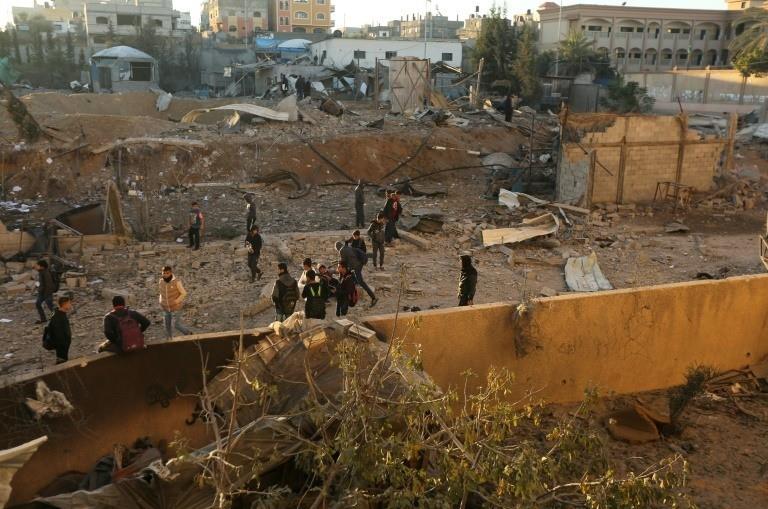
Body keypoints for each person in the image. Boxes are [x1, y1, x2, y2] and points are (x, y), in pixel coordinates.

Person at [335, 240, 377, 307]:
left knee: (361, 282)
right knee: (353, 276)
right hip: (359, 264)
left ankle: (373, 298)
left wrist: (339, 269)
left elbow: (343, 263)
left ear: (337, 248)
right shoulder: (347, 247)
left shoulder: (341, 250)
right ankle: (355, 285)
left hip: (355, 266)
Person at [158, 266, 192, 339]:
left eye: (167, 273)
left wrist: (176, 301)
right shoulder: (161, 281)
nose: (165, 275)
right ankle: (169, 340)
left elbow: (184, 293)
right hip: (166, 308)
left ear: (171, 273)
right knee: (167, 326)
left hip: (176, 307)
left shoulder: (176, 282)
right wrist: (160, 300)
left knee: (176, 325)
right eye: (164, 273)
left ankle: (189, 334)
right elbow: (161, 292)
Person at [46, 296, 72, 364]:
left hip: (63, 345)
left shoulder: (60, 313)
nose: (70, 305)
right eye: (69, 303)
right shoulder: (57, 317)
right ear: (64, 304)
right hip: (61, 346)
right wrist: (64, 343)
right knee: (62, 362)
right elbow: (58, 334)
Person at [34, 259, 56, 324]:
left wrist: (47, 294)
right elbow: (41, 283)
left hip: (47, 293)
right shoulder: (41, 272)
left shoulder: (46, 273)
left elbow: (49, 285)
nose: (36, 266)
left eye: (38, 265)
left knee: (50, 306)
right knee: (38, 304)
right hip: (41, 293)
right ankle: (43, 319)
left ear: (42, 266)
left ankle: (57, 318)